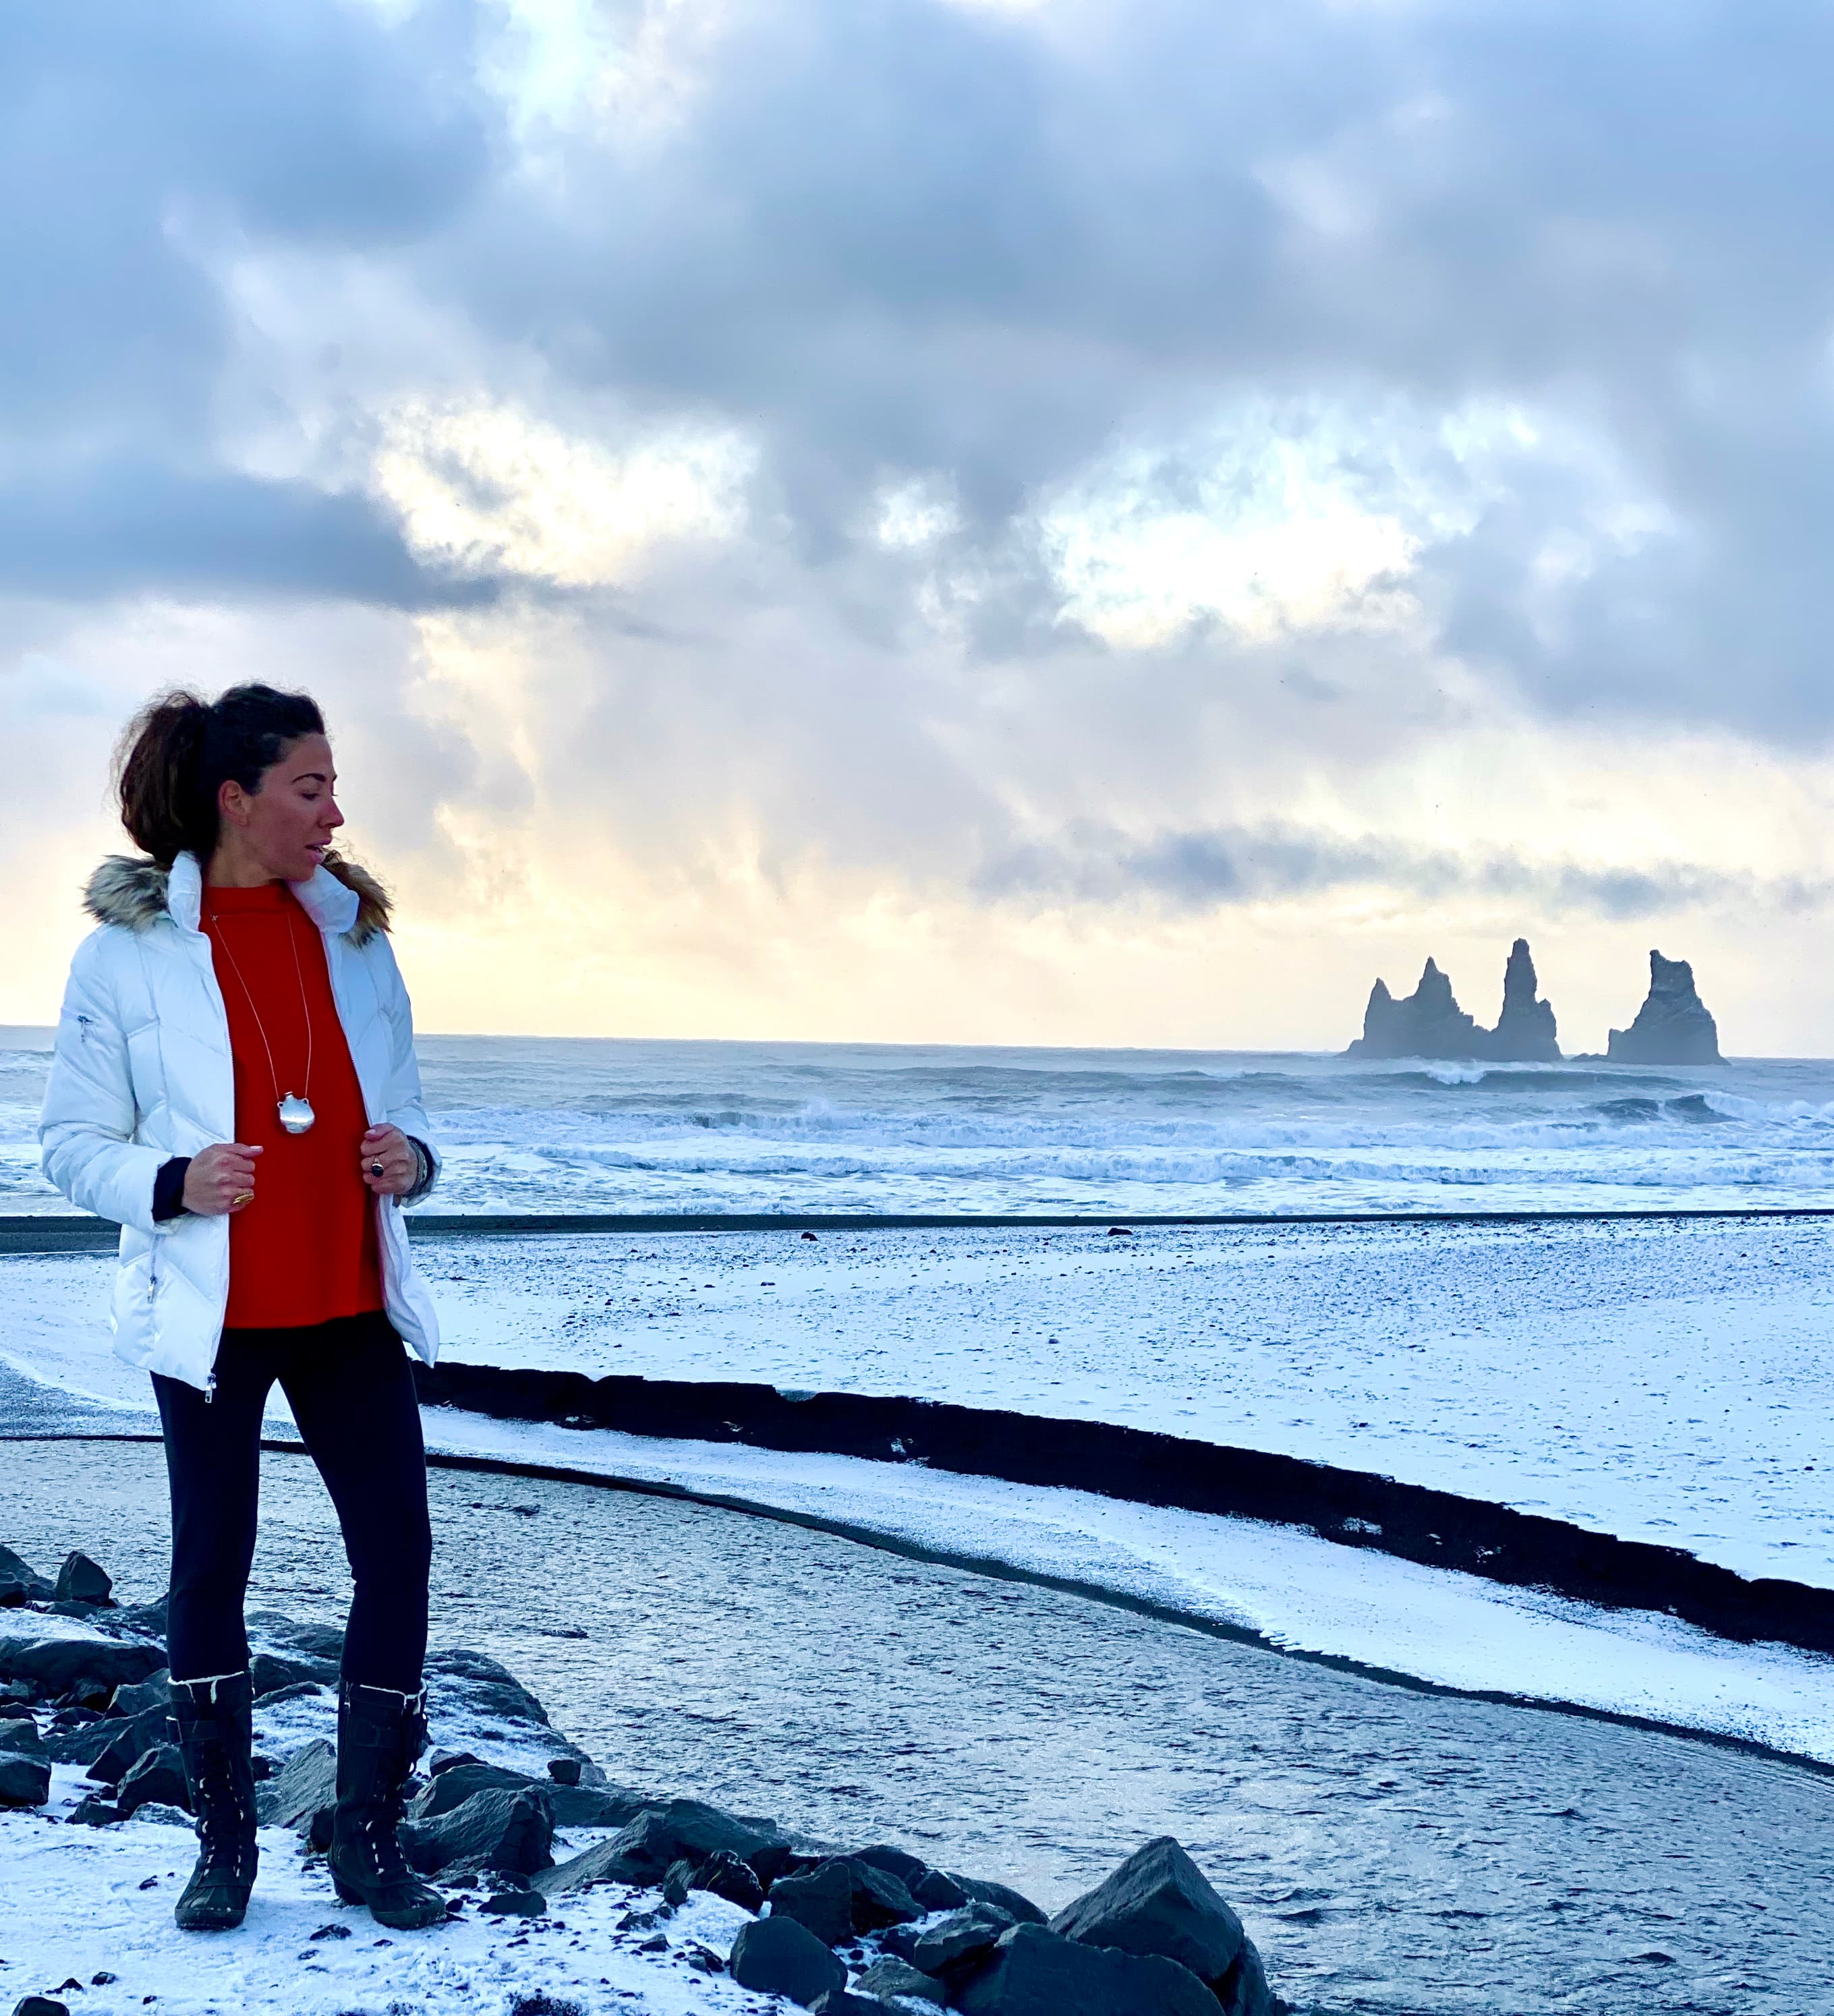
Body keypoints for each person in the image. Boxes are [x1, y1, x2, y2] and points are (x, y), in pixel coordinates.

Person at [39, 684, 448, 1934]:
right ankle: (224, 1848)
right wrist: (171, 1179)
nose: (336, 812)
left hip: (350, 1305)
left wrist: (410, 1160)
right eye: (311, 787)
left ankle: (370, 1844)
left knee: (400, 1555)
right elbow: (65, 1144)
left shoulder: (359, 941)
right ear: (238, 799)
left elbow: (417, 1108)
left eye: (334, 786)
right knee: (212, 1566)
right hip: (210, 1317)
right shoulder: (125, 954)